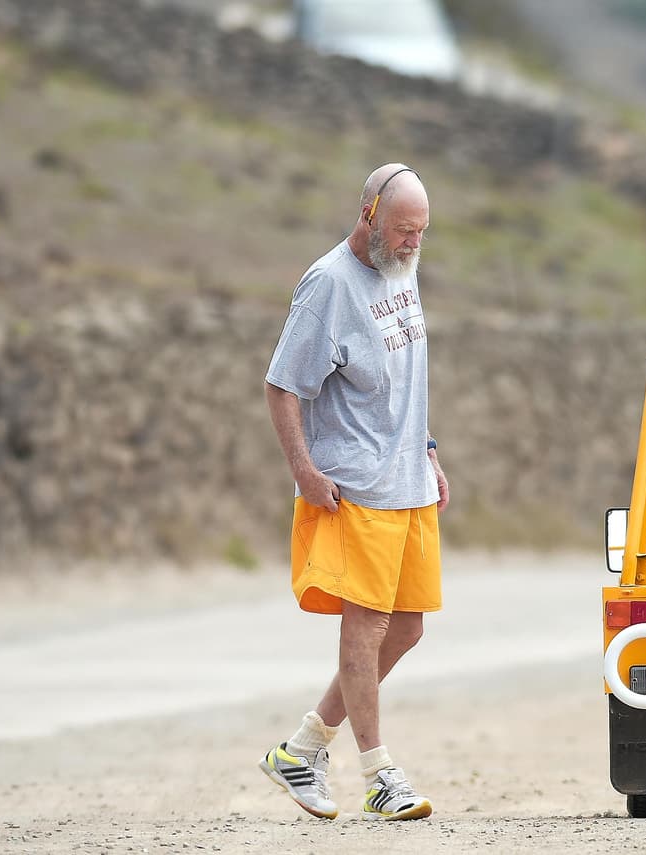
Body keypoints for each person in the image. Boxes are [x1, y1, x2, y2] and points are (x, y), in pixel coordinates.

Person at [258, 163, 449, 822]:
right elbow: (282, 385)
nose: (410, 243)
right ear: (368, 214)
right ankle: (379, 773)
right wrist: (306, 470)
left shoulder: (403, 266)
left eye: (420, 232)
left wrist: (427, 447)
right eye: (401, 230)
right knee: (363, 630)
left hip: (409, 479)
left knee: (407, 627)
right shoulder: (328, 286)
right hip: (355, 485)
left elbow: (405, 371)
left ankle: (303, 748)